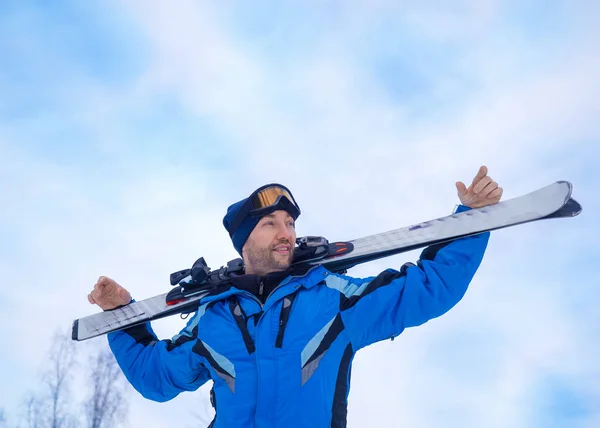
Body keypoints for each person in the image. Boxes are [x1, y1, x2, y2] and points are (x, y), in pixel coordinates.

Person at [88, 166, 502, 428]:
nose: (286, 232)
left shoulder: (332, 299)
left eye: (288, 222)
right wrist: (122, 315)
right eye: (270, 223)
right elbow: (156, 376)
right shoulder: (214, 319)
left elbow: (427, 288)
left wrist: (471, 220)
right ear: (245, 241)